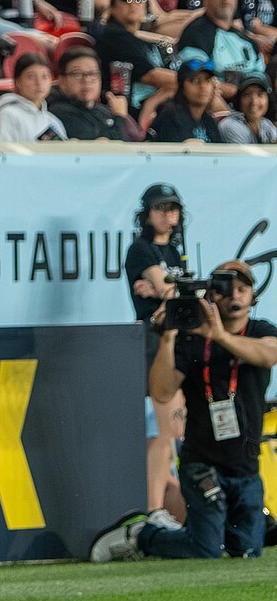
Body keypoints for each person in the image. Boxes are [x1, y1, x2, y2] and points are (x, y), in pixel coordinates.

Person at [93, 260, 276, 562]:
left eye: (243, 289)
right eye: (226, 290)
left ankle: (211, 531)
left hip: (245, 465)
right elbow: (162, 393)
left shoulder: (260, 330)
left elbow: (269, 355)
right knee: (205, 551)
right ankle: (143, 535)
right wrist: (168, 337)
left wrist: (221, 337)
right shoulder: (190, 341)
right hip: (202, 462)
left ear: (253, 296)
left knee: (247, 551)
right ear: (211, 297)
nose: (235, 297)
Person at [122, 184, 188, 522]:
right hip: (153, 340)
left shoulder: (175, 255)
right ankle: (153, 510)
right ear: (147, 213)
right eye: (161, 208)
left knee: (173, 432)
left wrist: (168, 290)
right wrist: (170, 291)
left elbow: (171, 290)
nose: (168, 215)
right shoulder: (141, 250)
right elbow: (167, 289)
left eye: (173, 208)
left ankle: (163, 504)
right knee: (164, 428)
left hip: (177, 341)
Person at [175, 0, 265, 94]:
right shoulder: (196, 34)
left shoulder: (246, 40)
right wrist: (236, 93)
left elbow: (262, 79)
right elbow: (196, 82)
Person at [48, 44, 132, 138]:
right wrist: (120, 117)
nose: (86, 80)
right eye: (77, 74)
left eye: (92, 74)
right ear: (62, 81)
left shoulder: (103, 109)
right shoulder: (60, 112)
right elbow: (101, 149)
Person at [0, 52, 69, 139]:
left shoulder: (53, 121)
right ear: (17, 82)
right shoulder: (6, 116)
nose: (39, 83)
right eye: (30, 77)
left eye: (44, 76)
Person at [144, 55, 223, 141]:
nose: (203, 86)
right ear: (182, 87)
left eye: (208, 81)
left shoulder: (208, 119)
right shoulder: (170, 116)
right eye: (195, 81)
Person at [218, 72, 277, 143]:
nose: (254, 102)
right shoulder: (230, 125)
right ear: (239, 100)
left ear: (268, 99)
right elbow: (248, 153)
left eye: (260, 95)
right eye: (247, 94)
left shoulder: (266, 124)